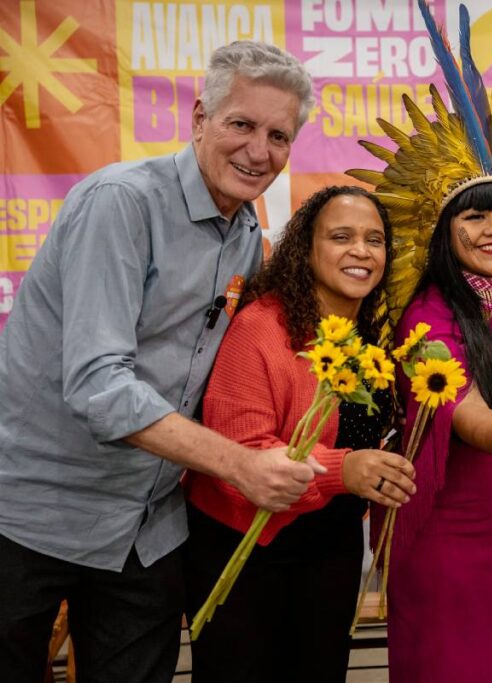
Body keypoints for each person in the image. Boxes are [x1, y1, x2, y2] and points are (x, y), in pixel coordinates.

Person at [0, 41, 316, 683]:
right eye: (242, 125)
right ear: (199, 118)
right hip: (32, 517)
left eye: (279, 135)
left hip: (146, 530)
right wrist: (241, 464)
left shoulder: (248, 234)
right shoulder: (122, 203)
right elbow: (99, 386)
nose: (260, 151)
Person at [348, 6, 492, 679]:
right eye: (476, 215)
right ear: (444, 231)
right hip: (445, 536)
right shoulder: (425, 314)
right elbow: (453, 401)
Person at [181, 186, 417, 682]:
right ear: (306, 248)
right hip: (245, 546)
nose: (361, 251)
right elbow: (239, 459)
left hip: (330, 547)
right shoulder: (261, 328)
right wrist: (342, 470)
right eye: (341, 236)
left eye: (375, 240)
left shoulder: (372, 336)